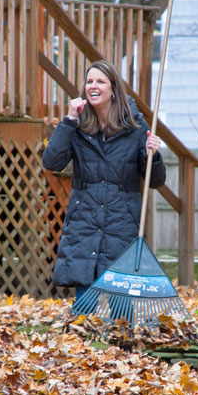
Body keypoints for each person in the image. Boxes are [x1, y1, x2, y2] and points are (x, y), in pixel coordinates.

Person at [41, 59, 165, 309]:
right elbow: (52, 162)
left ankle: (122, 347)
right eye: (89, 81)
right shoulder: (77, 127)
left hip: (122, 224)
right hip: (84, 223)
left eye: (100, 81)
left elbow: (156, 181)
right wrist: (68, 120)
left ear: (113, 90)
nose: (93, 86)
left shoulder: (137, 128)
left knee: (122, 310)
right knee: (84, 310)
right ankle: (87, 347)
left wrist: (155, 154)